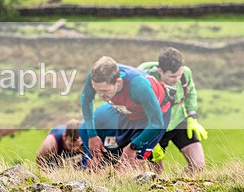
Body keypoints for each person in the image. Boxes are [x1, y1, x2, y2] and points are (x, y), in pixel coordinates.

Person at [80, 56, 171, 171]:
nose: (100, 95)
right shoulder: (95, 76)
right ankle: (92, 168)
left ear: (118, 82)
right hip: (127, 110)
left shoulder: (138, 86)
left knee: (128, 165)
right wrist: (92, 135)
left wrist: (134, 146)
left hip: (153, 116)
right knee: (84, 128)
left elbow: (157, 123)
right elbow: (86, 100)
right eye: (96, 90)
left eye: (104, 91)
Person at [138, 47, 207, 175]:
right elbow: (137, 108)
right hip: (155, 128)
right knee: (155, 173)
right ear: (160, 71)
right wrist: (148, 138)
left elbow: (191, 93)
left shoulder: (186, 73)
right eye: (171, 76)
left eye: (178, 75)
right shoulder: (145, 76)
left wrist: (192, 117)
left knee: (198, 165)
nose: (176, 80)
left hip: (179, 121)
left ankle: (181, 188)